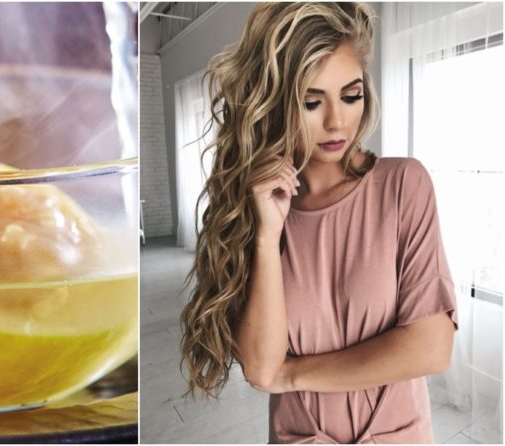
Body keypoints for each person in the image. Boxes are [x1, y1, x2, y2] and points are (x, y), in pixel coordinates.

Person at [179, 3, 458, 443]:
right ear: (273, 104)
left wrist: (292, 377)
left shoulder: (404, 185)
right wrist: (268, 237)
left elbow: (431, 346)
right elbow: (260, 367)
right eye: (311, 102)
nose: (336, 120)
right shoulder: (256, 208)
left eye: (351, 95)